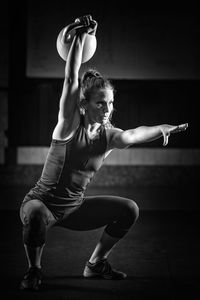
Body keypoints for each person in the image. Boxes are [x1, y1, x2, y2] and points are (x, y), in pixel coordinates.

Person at [19, 15, 188, 291]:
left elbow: (133, 134)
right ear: (84, 105)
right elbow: (71, 75)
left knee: (128, 209)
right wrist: (80, 36)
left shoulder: (109, 137)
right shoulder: (68, 125)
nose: (108, 109)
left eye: (110, 103)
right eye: (101, 103)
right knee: (36, 214)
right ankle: (34, 270)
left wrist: (160, 128)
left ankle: (95, 264)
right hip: (43, 204)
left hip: (73, 208)